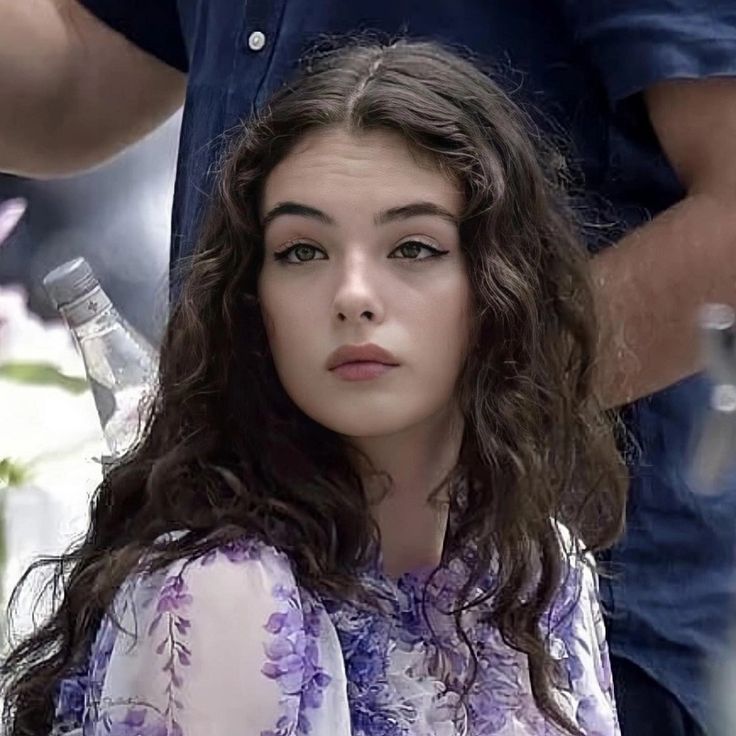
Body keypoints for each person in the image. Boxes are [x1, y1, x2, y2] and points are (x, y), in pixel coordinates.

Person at [1, 3, 735, 735]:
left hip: (592, 560)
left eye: (413, 250)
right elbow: (74, 75)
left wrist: (482, 402)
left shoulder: (550, 571)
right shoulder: (227, 598)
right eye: (301, 252)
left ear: (499, 290)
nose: (354, 297)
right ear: (249, 305)